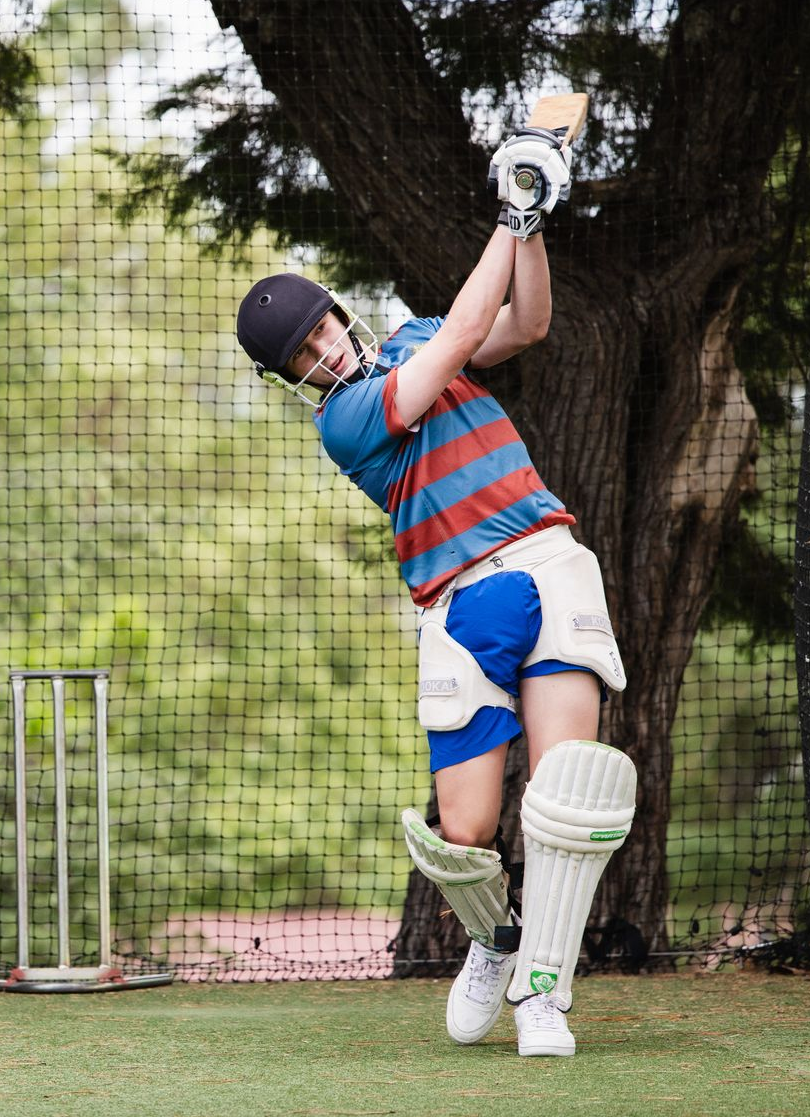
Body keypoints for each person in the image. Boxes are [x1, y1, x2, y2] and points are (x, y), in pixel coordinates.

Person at [235, 126, 633, 1057]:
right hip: (459, 605)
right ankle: (492, 939)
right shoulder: (347, 421)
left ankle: (544, 991)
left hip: (546, 561)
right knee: (467, 825)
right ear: (290, 376)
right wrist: (511, 209)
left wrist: (530, 225)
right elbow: (460, 337)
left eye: (321, 329)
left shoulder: (408, 334)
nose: (322, 352)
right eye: (300, 354)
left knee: (566, 799)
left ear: (338, 312)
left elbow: (524, 325)